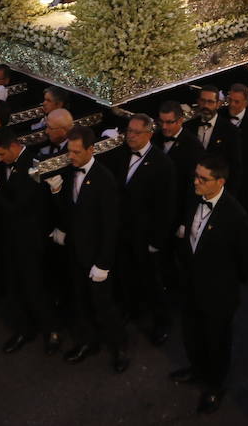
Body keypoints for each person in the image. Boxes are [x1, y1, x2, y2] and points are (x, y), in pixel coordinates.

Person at [170, 152, 248, 415]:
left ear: (220, 182)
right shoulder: (192, 199)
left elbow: (246, 264)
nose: (196, 182)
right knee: (192, 334)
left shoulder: (235, 216)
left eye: (203, 179)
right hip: (190, 286)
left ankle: (215, 386)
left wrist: (225, 286)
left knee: (216, 342)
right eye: (196, 176)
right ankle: (197, 369)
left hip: (218, 294)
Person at [48, 125, 128, 372]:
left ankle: (119, 350)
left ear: (91, 150)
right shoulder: (70, 172)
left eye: (76, 152)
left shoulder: (104, 179)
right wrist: (57, 192)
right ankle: (87, 342)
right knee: (80, 302)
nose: (71, 156)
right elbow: (71, 210)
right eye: (69, 151)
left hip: (96, 257)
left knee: (104, 307)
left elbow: (110, 226)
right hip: (75, 252)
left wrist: (103, 264)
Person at [0, 127, 62, 354]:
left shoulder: (32, 165)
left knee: (35, 288)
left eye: (2, 154)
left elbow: (17, 209)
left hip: (31, 240)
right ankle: (24, 329)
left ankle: (51, 331)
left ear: (13, 146)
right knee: (15, 287)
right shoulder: (6, 164)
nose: (0, 159)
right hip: (10, 237)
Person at [102, 112, 176, 346]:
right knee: (126, 274)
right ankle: (132, 309)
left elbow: (166, 206)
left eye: (136, 132)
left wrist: (156, 240)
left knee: (152, 280)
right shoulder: (120, 154)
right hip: (123, 231)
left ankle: (161, 322)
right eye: (128, 131)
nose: (130, 136)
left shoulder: (163, 164)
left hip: (146, 235)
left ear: (149, 134)